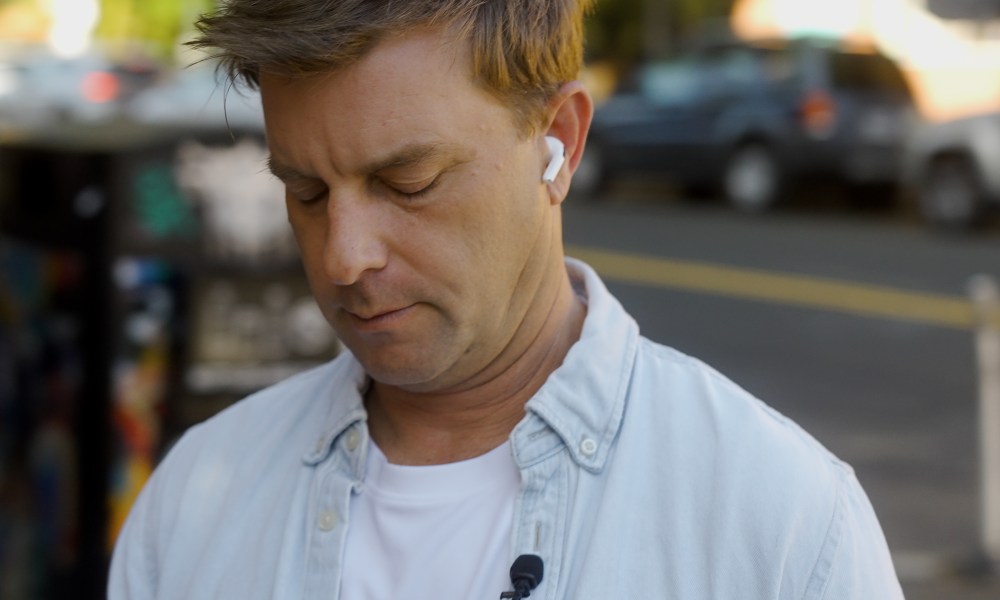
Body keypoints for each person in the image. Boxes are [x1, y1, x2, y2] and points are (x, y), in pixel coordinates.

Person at [108, 1, 905, 598]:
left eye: (407, 182)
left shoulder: (780, 522)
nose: (344, 256)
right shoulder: (194, 501)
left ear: (559, 141)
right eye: (307, 192)